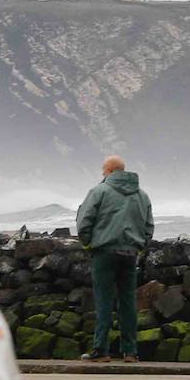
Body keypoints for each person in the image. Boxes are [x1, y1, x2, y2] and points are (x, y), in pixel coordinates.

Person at [76, 155, 154, 362]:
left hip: (104, 252)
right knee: (128, 302)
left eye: (103, 170)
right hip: (130, 253)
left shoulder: (99, 191)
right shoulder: (142, 195)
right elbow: (148, 227)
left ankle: (101, 350)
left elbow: (84, 222)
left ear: (110, 170)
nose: (102, 174)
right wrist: (140, 247)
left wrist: (88, 245)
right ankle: (130, 351)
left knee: (104, 300)